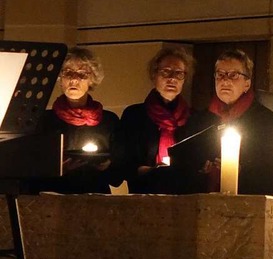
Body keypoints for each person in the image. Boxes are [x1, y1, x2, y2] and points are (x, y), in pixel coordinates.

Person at [177, 49, 273, 195]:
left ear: (247, 83)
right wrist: (201, 169)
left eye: (233, 75)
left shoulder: (264, 120)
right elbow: (185, 169)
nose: (225, 80)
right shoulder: (199, 120)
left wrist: (239, 170)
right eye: (220, 74)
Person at [35, 47, 119, 194]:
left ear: (92, 79)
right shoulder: (44, 120)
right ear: (60, 79)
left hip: (97, 199)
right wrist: (58, 168)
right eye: (68, 72)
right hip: (54, 198)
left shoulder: (109, 121)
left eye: (81, 74)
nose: (74, 79)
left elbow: (118, 177)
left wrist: (106, 166)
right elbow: (31, 170)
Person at [118, 46, 194, 193]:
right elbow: (124, 165)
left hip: (183, 199)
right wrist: (152, 171)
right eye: (166, 71)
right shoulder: (134, 115)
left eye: (178, 73)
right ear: (154, 75)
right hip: (143, 196)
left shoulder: (193, 118)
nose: (172, 78)